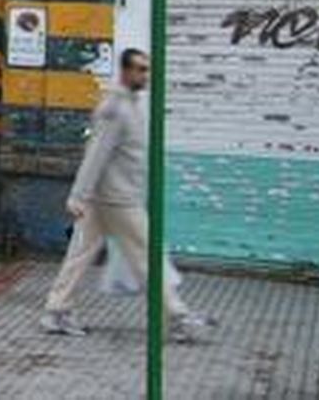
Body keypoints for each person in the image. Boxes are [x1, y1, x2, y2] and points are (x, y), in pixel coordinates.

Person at [40, 47, 211, 342]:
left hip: (110, 198)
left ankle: (56, 310)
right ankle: (177, 317)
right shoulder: (115, 109)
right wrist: (77, 196)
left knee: (81, 254)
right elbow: (96, 155)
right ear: (126, 72)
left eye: (147, 69)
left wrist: (84, 196)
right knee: (149, 255)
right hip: (117, 201)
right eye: (140, 69)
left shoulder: (131, 104)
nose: (146, 75)